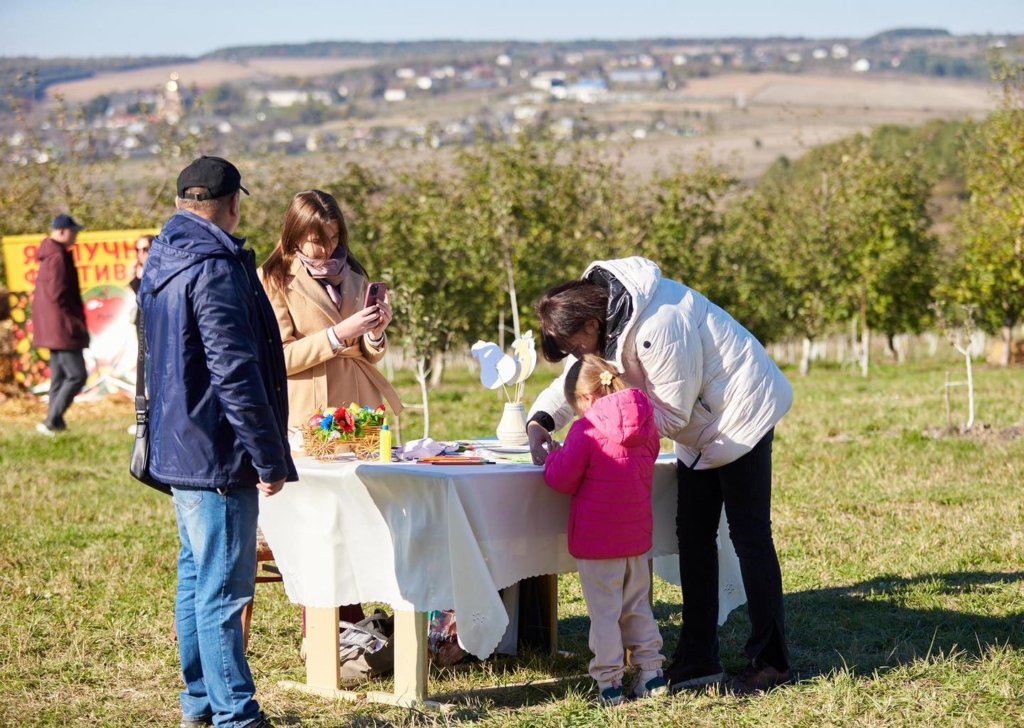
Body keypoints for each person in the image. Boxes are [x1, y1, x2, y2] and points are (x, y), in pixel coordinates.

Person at [527, 256, 794, 695]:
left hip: (742, 410)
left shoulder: (659, 324)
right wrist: (541, 420)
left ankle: (773, 661)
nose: (575, 355)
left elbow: (671, 412)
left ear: (591, 325)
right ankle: (698, 657)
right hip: (700, 427)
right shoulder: (602, 323)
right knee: (693, 537)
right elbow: (581, 379)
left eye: (575, 346)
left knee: (749, 537)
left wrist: (597, 428)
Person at [139, 155, 296, 728]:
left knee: (196, 576)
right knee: (225, 588)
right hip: (219, 449)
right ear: (232, 203)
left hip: (181, 444)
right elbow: (234, 369)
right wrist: (267, 455)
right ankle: (235, 713)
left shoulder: (165, 257)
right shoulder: (216, 265)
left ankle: (201, 703)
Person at [543, 354, 668, 706]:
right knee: (638, 606)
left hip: (598, 543)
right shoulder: (647, 426)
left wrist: (554, 454)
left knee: (604, 615)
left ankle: (610, 682)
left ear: (585, 399)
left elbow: (561, 480)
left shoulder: (585, 431)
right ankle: (651, 674)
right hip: (636, 538)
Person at [258, 189, 403, 429]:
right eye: (317, 241)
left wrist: (375, 334)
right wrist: (337, 335)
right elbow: (276, 359)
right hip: (313, 410)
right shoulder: (273, 279)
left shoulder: (355, 275)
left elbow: (369, 355)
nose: (328, 249)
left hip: (360, 408)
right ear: (295, 236)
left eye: (334, 238)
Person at [31, 214, 89, 436]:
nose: (76, 236)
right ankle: (51, 421)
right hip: (63, 328)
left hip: (54, 327)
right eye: (74, 231)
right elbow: (58, 295)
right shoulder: (57, 258)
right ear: (63, 231)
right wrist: (74, 322)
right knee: (76, 375)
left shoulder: (50, 255)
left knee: (59, 377)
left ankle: (55, 423)